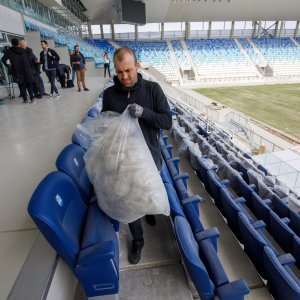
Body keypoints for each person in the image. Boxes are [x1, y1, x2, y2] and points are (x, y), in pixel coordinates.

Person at [102, 47, 172, 264]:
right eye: (119, 72)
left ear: (137, 65)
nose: (124, 77)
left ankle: (148, 210)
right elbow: (105, 126)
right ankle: (138, 240)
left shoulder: (153, 90)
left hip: (150, 159)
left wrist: (144, 112)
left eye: (128, 71)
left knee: (147, 195)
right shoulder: (110, 95)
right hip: (124, 162)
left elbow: (167, 122)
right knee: (130, 203)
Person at [1, 38, 35, 103]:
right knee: (28, 84)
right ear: (18, 43)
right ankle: (32, 98)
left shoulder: (9, 51)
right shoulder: (24, 50)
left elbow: (3, 59)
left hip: (17, 71)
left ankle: (25, 99)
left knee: (21, 85)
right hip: (26, 70)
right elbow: (29, 60)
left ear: (11, 43)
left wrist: (8, 66)